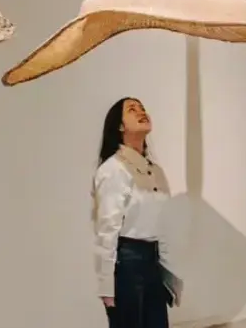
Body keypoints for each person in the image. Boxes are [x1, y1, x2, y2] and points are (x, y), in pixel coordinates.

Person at [92, 97, 182, 328]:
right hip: (126, 265)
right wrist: (106, 284)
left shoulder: (155, 171)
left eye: (142, 108)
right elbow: (107, 230)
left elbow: (164, 224)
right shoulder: (113, 169)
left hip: (153, 263)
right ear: (120, 126)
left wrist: (169, 272)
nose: (141, 112)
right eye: (132, 109)